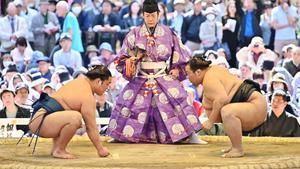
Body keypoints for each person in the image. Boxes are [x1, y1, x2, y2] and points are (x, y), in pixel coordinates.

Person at [107, 0, 204, 144]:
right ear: (143, 16)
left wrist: (175, 69)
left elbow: (180, 53)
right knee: (127, 101)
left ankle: (190, 136)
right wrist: (131, 62)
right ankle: (119, 135)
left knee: (178, 97)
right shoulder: (133, 34)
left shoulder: (168, 33)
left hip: (162, 75)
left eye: (153, 16)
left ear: (158, 15)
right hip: (141, 76)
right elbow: (122, 57)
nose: (150, 19)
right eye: (147, 16)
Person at [185, 54, 268, 157]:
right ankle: (234, 146)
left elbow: (222, 99)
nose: (188, 78)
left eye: (188, 74)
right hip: (252, 104)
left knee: (227, 111)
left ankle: (237, 149)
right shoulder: (214, 70)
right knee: (226, 110)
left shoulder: (208, 79)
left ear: (198, 72)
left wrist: (210, 121)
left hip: (254, 105)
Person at [28, 65, 111, 159]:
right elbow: (91, 127)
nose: (107, 88)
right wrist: (101, 149)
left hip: (40, 118)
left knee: (67, 114)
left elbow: (59, 109)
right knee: (75, 118)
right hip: (41, 122)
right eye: (107, 84)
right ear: (98, 81)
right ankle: (60, 150)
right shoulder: (88, 97)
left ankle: (55, 148)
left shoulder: (80, 81)